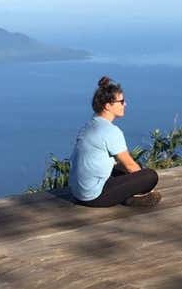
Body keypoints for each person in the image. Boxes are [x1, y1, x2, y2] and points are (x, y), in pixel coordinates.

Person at [69, 76, 161, 207]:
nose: (125, 104)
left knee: (135, 166)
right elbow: (130, 166)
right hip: (94, 196)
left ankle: (129, 196)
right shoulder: (110, 131)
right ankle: (129, 198)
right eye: (121, 101)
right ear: (108, 106)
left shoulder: (90, 125)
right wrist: (146, 186)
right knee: (150, 176)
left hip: (78, 191)